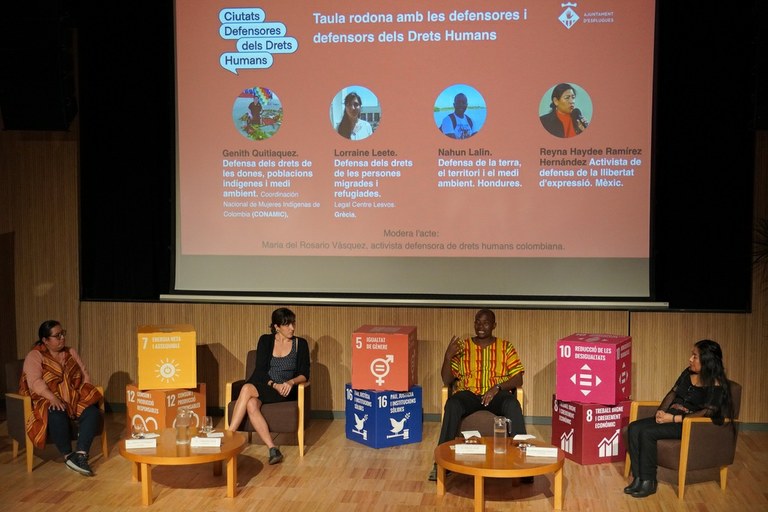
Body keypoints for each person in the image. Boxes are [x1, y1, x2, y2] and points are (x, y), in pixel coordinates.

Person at [624, 339, 734, 498]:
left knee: (647, 433)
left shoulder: (716, 384)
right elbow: (673, 393)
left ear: (707, 360)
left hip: (689, 424)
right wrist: (661, 411)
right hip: (670, 416)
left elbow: (707, 413)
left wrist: (673, 419)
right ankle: (639, 477)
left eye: (695, 356)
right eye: (692, 355)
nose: (690, 359)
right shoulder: (688, 372)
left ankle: (649, 481)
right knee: (634, 427)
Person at [428, 309, 529, 481]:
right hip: (469, 394)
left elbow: (518, 378)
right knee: (452, 404)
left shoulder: (506, 347)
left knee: (513, 404)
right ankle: (441, 464)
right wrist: (448, 357)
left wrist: (497, 387)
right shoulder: (463, 347)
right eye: (477, 322)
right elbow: (447, 379)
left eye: (486, 323)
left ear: (494, 325)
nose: (481, 326)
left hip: (495, 394)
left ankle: (522, 464)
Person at [18, 320, 102, 476]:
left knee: (92, 412)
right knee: (56, 411)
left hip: (73, 396)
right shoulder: (35, 356)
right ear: (45, 340)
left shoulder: (70, 352)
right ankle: (68, 455)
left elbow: (84, 374)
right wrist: (53, 397)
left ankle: (81, 455)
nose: (62, 338)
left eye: (63, 333)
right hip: (46, 397)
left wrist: (83, 393)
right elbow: (35, 381)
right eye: (57, 336)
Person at [227, 307, 310, 464]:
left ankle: (229, 437)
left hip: (285, 390)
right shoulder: (265, 340)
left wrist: (290, 382)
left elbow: (304, 374)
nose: (292, 328)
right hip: (266, 384)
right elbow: (260, 371)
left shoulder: (300, 344)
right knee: (251, 404)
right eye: (287, 325)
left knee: (246, 389)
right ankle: (273, 449)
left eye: (293, 323)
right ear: (276, 327)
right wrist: (273, 384)